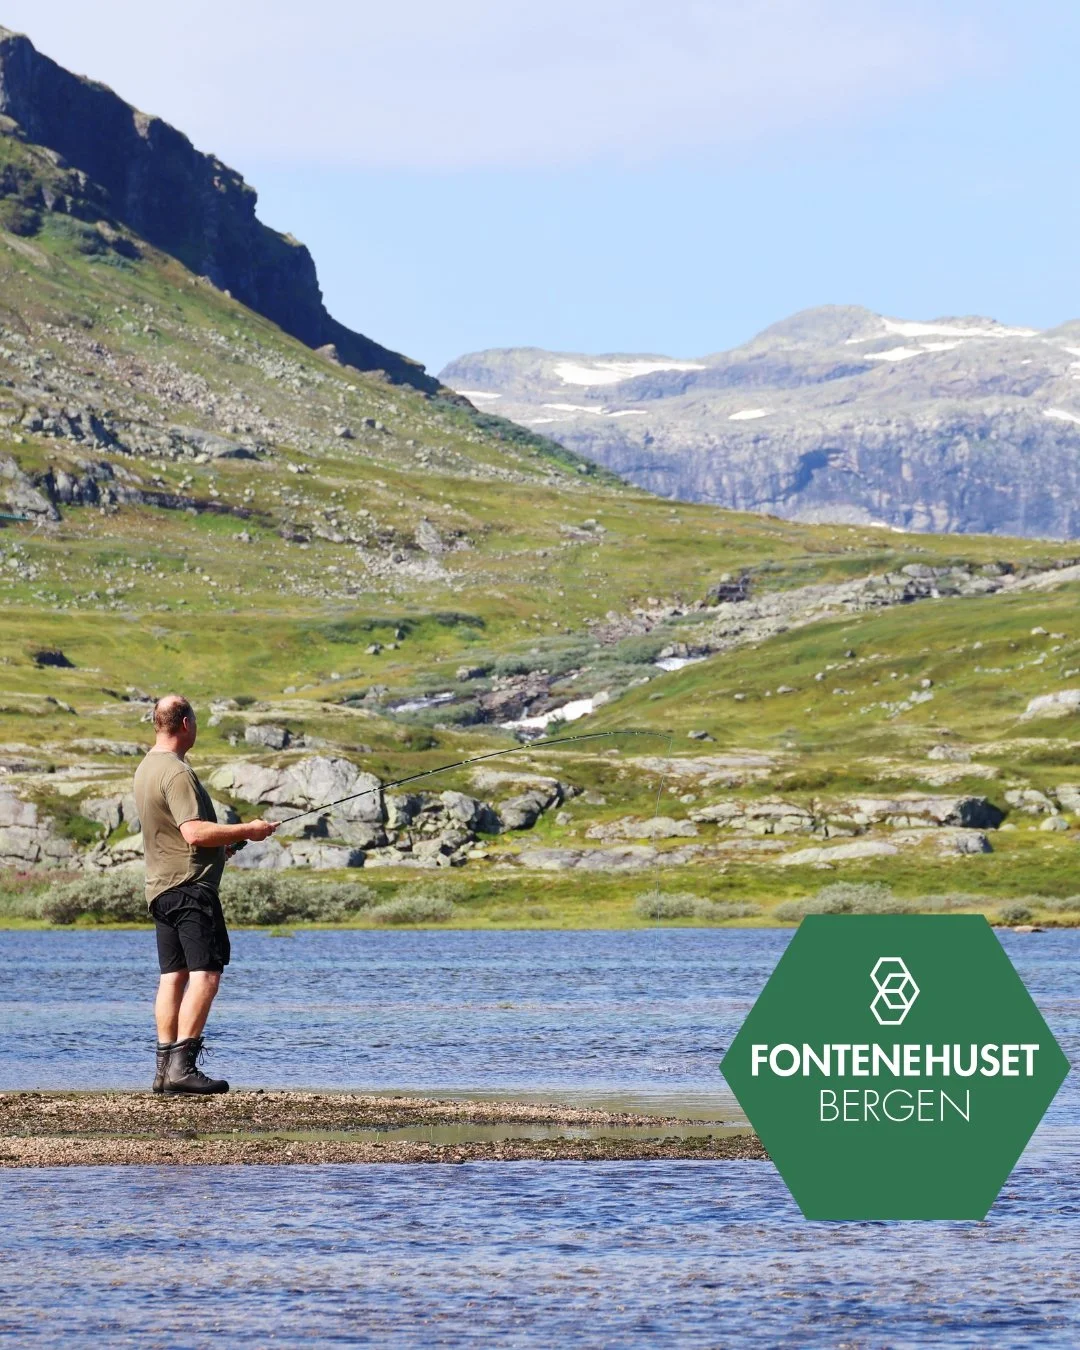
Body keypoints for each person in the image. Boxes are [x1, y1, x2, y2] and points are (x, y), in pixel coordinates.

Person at [133, 694, 278, 1095]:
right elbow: (193, 832)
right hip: (190, 888)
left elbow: (178, 835)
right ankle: (183, 1067)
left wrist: (223, 847)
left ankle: (164, 1070)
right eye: (194, 720)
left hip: (160, 889)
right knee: (207, 974)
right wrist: (247, 830)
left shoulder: (147, 768)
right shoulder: (177, 773)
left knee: (172, 976)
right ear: (184, 724)